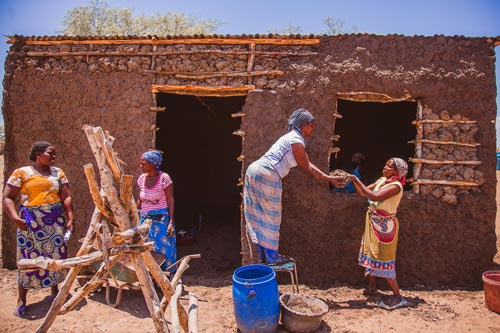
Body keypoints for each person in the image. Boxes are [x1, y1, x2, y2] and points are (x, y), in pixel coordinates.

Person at [244, 108, 346, 265]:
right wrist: (328, 178)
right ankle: (271, 257)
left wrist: (327, 177)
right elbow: (306, 166)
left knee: (261, 215)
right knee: (272, 216)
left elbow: (307, 163)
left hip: (256, 171)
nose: (312, 129)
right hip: (268, 174)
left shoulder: (291, 138)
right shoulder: (296, 140)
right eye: (311, 125)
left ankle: (264, 256)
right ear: (303, 125)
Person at [2, 141, 74, 317]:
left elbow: (65, 196)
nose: (54, 157)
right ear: (38, 154)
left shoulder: (58, 173)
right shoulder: (22, 173)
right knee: (27, 256)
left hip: (54, 220)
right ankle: (22, 299)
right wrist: (14, 217)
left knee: (55, 255)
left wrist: (70, 217)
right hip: (30, 221)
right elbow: (8, 197)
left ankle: (55, 292)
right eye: (51, 153)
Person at [349, 157, 408, 310]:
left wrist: (356, 178)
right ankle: (372, 287)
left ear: (397, 171)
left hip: (385, 227)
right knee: (371, 254)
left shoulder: (396, 186)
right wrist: (353, 180)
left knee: (384, 258)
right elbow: (364, 193)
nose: (385, 168)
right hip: (373, 223)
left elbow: (374, 196)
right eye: (385, 164)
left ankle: (398, 296)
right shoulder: (382, 180)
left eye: (389, 166)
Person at [136, 150, 177, 272]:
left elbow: (170, 200)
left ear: (153, 164)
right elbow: (140, 198)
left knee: (164, 249)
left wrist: (170, 222)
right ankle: (151, 276)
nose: (141, 166)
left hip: (161, 220)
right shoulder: (142, 179)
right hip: (145, 221)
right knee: (148, 249)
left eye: (143, 163)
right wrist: (134, 214)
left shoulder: (164, 178)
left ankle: (168, 275)